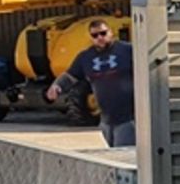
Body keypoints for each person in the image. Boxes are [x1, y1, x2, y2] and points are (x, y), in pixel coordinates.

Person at [46, 18, 136, 147]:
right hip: (106, 121)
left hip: (129, 118)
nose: (100, 37)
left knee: (124, 154)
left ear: (111, 32)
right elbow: (71, 76)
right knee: (113, 155)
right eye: (95, 35)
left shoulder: (127, 50)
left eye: (103, 33)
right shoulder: (85, 57)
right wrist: (57, 86)